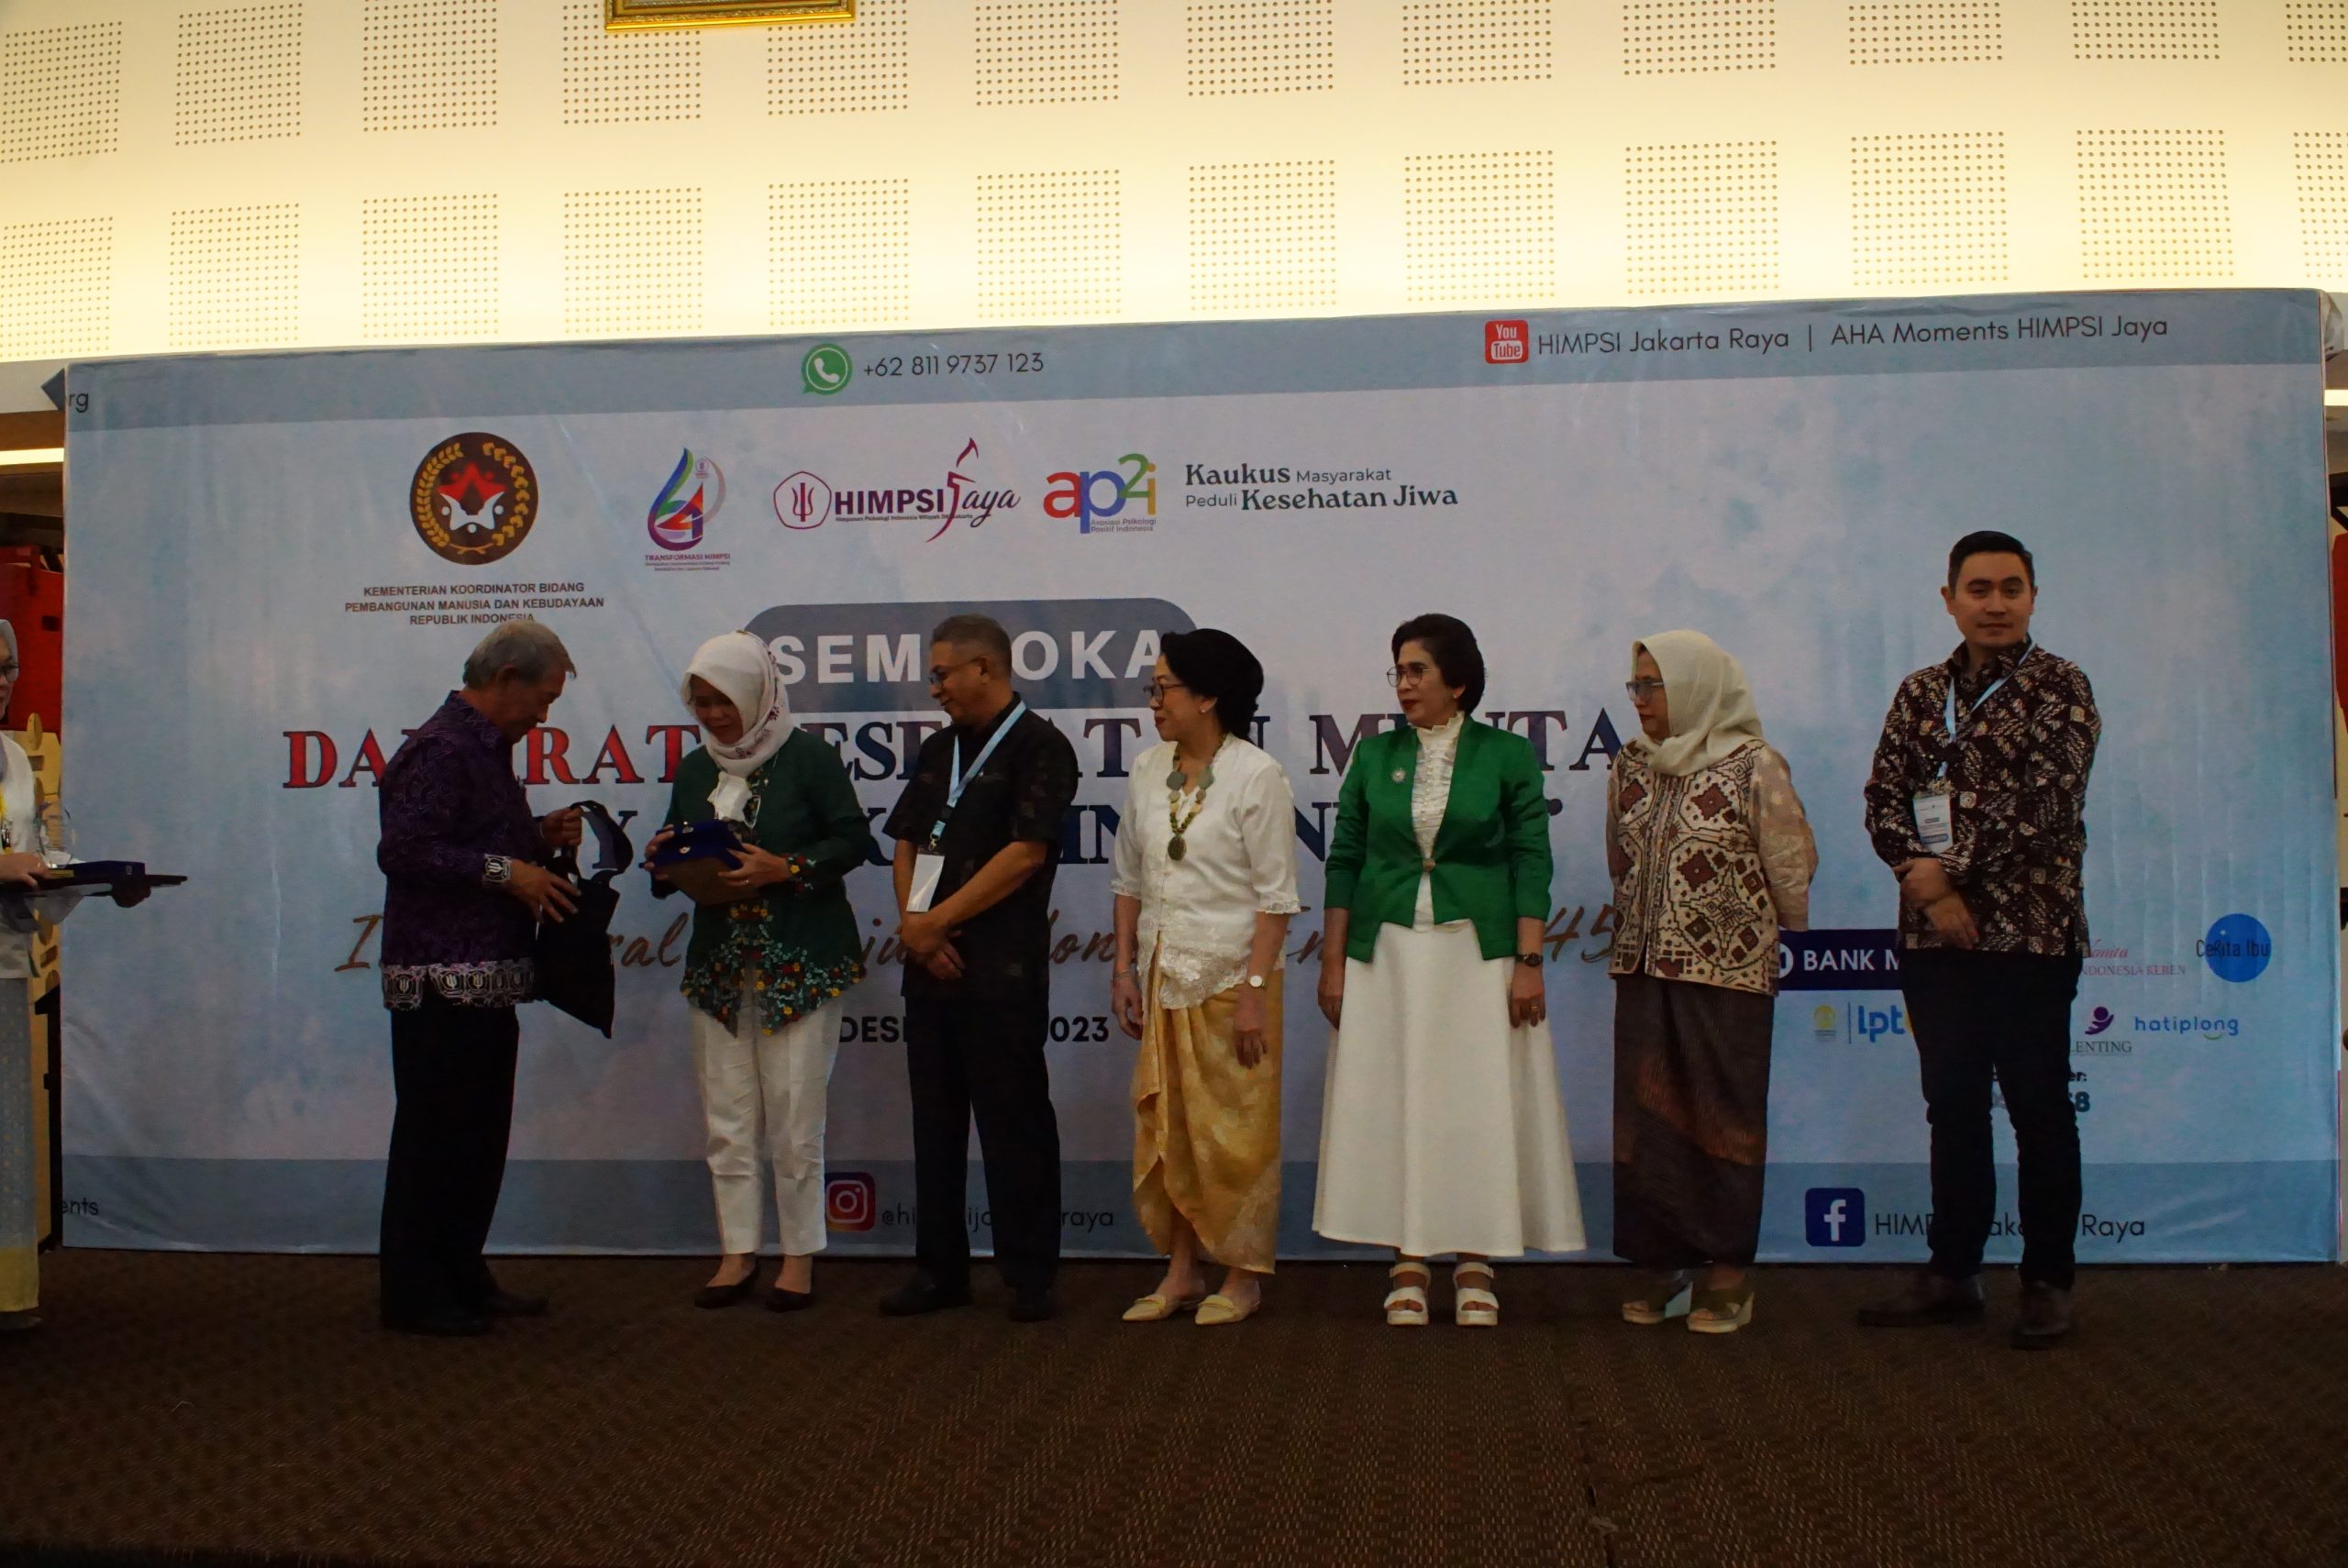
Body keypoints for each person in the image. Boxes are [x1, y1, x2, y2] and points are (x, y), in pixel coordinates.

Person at [1858, 531, 2099, 1350]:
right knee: (1953, 1107)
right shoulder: (1920, 692)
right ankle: (1953, 1273)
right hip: (1936, 942)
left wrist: (1945, 874)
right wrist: (1924, 884)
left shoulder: (2061, 685)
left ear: (2033, 596)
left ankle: (2048, 1281)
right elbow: (1883, 798)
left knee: (2038, 1108)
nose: (1995, 604)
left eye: (2010, 588)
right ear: (1949, 599)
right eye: (1979, 589)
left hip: (2032, 934)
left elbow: (2048, 805)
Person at [1313, 613, 1583, 1325]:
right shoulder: (1375, 755)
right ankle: (1407, 1257)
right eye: (1398, 672)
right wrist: (1334, 960)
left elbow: (1531, 859)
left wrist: (1529, 962)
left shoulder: (1506, 755)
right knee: (1400, 1100)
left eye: (1417, 671)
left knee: (1475, 1103)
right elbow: (1345, 859)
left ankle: (1474, 1258)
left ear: (1457, 682)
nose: (1403, 685)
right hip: (1389, 953)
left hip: (1478, 952)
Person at [647, 632, 873, 1313]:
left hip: (800, 961)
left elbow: (853, 839)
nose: (714, 715)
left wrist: (787, 867)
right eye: (701, 702)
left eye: (725, 700)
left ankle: (798, 1256)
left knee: (796, 1122)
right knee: (727, 1118)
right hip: (720, 965)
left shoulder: (809, 758)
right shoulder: (696, 769)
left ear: (757, 693)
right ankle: (737, 1251)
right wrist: (666, 859)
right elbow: (675, 852)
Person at [375, 619, 583, 1338]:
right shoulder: (440, 749)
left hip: (484, 978)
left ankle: (461, 1274)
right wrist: (507, 872)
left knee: (475, 1138)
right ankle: (414, 1291)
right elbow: (404, 851)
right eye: (543, 698)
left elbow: (465, 840)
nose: (544, 716)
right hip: (440, 980)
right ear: (506, 679)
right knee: (437, 1137)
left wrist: (537, 837)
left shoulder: (483, 750)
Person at [1607, 631, 1816, 1335]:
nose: (1640, 700)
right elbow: (1619, 858)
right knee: (1649, 1121)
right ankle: (1663, 1267)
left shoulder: (1754, 764)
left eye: (1653, 685)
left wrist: (1761, 926)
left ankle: (1728, 1276)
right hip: (1643, 966)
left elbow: (1791, 862)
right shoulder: (1631, 765)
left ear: (1697, 686)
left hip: (1726, 975)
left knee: (1723, 1119)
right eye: (1635, 686)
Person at [880, 613, 1080, 1322]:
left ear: (984, 669)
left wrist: (938, 920)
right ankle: (939, 1271)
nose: (935, 688)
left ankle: (1029, 1275)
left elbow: (1026, 853)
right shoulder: (939, 749)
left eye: (942, 674)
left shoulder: (1042, 747)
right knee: (934, 1128)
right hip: (929, 968)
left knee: (1014, 1124)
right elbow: (906, 840)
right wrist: (916, 924)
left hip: (1001, 973)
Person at [1110, 630, 1300, 1327]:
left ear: (1209, 697)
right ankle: (1182, 1271)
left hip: (1234, 981)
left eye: (1165, 688)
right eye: (1153, 688)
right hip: (1163, 974)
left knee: (1236, 1137)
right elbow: (1128, 879)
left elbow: (1276, 900)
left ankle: (1242, 1276)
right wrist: (1123, 967)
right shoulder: (1146, 769)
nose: (1154, 701)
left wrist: (1254, 996)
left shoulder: (1256, 776)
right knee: (1173, 1132)